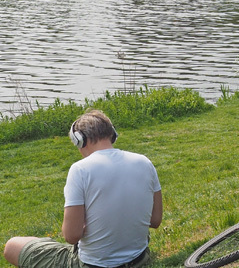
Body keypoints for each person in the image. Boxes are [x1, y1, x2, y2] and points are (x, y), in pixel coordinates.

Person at [3, 110, 162, 268]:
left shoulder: (80, 170)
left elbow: (71, 236)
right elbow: (155, 221)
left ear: (79, 140)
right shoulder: (144, 162)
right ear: (112, 134)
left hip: (93, 264)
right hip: (139, 259)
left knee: (12, 246)